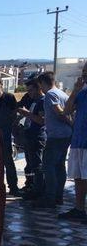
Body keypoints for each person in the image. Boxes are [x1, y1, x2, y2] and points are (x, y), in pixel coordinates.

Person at [33, 72, 73, 208]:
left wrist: (70, 123)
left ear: (42, 83)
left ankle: (50, 198)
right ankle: (58, 196)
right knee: (59, 166)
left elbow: (60, 113)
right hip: (65, 135)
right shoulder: (62, 94)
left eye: (40, 85)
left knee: (48, 165)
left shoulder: (50, 94)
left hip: (56, 136)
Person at [59, 62, 87, 222]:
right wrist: (75, 91)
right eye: (84, 71)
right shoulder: (81, 94)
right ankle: (79, 209)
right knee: (78, 176)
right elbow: (67, 111)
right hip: (78, 141)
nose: (84, 74)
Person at [17, 78, 46, 199]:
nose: (29, 93)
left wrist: (27, 113)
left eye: (31, 90)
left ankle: (38, 191)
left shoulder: (42, 101)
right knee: (30, 165)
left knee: (37, 166)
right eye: (28, 90)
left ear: (38, 88)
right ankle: (30, 186)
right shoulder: (34, 101)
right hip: (29, 137)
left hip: (37, 137)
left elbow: (42, 121)